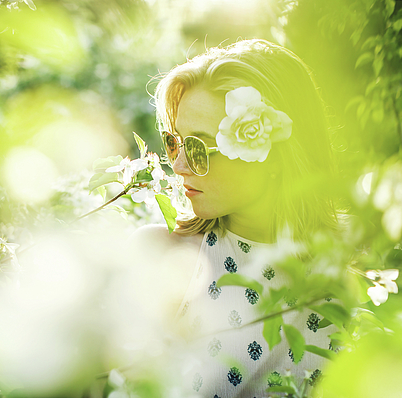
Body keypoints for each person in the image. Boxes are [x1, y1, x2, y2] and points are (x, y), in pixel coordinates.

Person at [132, 39, 341, 397]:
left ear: (274, 154)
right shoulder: (160, 259)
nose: (179, 166)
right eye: (173, 143)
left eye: (198, 148)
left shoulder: (358, 286)